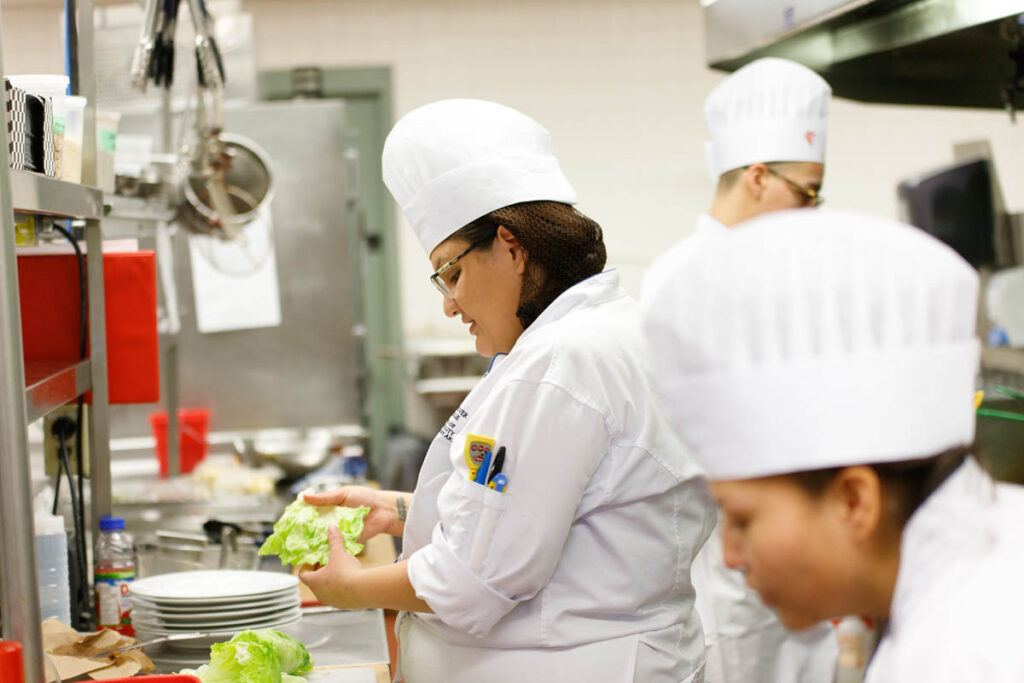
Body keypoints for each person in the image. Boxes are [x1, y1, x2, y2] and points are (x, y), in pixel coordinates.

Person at [299, 98, 715, 682]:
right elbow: (543, 512)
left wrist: (351, 588)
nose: (448, 303)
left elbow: (474, 581)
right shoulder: (606, 331)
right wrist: (396, 511)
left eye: (451, 272)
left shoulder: (560, 362)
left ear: (512, 248)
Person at [641, 208, 1024, 682]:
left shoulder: (963, 652)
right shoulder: (984, 554)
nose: (731, 556)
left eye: (741, 519)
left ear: (854, 500)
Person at [643, 57, 839, 683]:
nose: (812, 209)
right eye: (805, 192)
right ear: (757, 176)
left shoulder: (782, 270)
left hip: (802, 559)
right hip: (730, 573)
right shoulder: (685, 281)